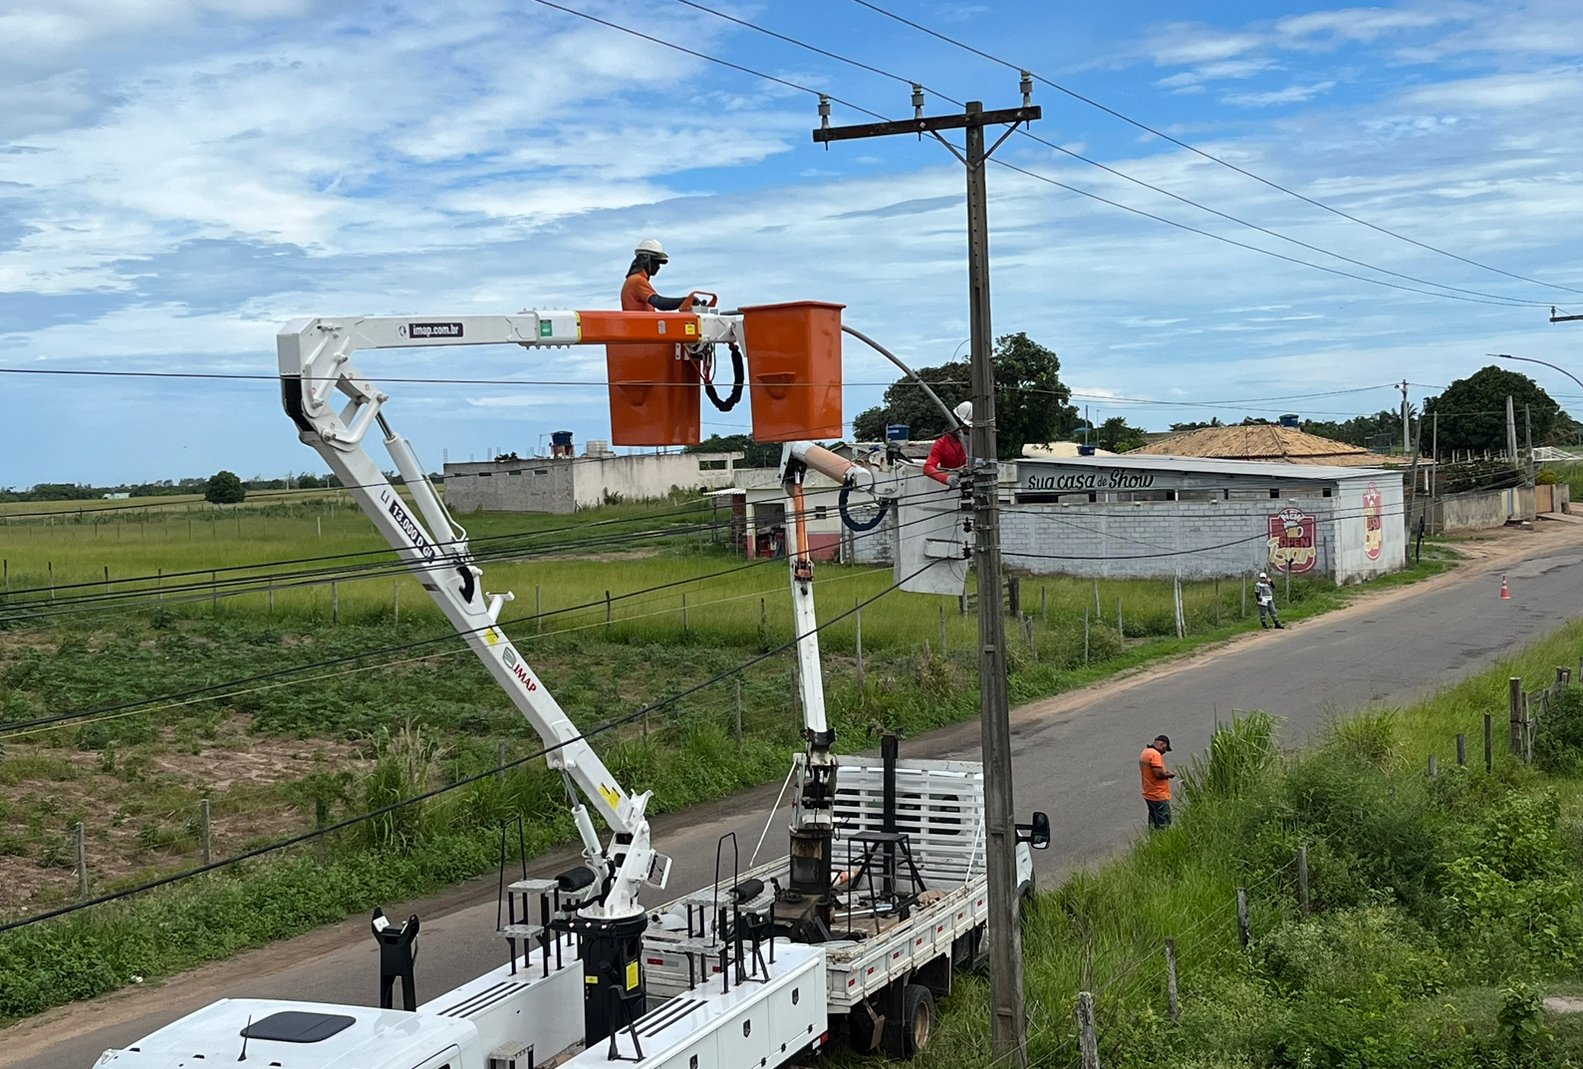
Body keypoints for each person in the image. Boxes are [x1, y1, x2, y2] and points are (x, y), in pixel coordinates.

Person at [621, 238, 702, 312]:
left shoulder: (633, 280)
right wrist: (685, 300)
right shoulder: (637, 280)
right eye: (656, 263)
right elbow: (659, 302)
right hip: (641, 323)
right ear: (646, 260)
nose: (658, 267)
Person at [923, 401, 973, 485]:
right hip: (951, 487)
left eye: (968, 428)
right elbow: (927, 468)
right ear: (954, 422)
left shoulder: (974, 442)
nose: (966, 431)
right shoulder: (941, 444)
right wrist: (946, 479)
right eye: (964, 427)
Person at [1139, 735, 1175, 830]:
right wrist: (1169, 775)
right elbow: (1158, 774)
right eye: (1165, 749)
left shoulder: (1145, 752)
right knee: (1164, 822)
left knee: (1153, 821)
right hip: (1158, 794)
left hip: (1149, 792)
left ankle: (1153, 837)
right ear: (1162, 744)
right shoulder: (1155, 754)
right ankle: (1163, 838)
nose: (1164, 752)